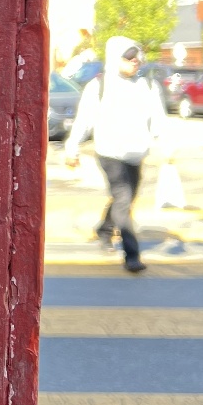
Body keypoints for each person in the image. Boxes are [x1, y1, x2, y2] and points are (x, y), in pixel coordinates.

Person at [64, 36, 166, 273]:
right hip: (109, 153)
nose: (135, 62)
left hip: (136, 153)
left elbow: (158, 120)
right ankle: (132, 254)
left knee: (126, 198)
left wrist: (165, 147)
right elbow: (84, 121)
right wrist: (72, 148)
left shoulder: (147, 86)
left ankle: (104, 229)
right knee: (123, 198)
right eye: (129, 58)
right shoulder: (98, 87)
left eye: (137, 58)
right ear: (114, 58)